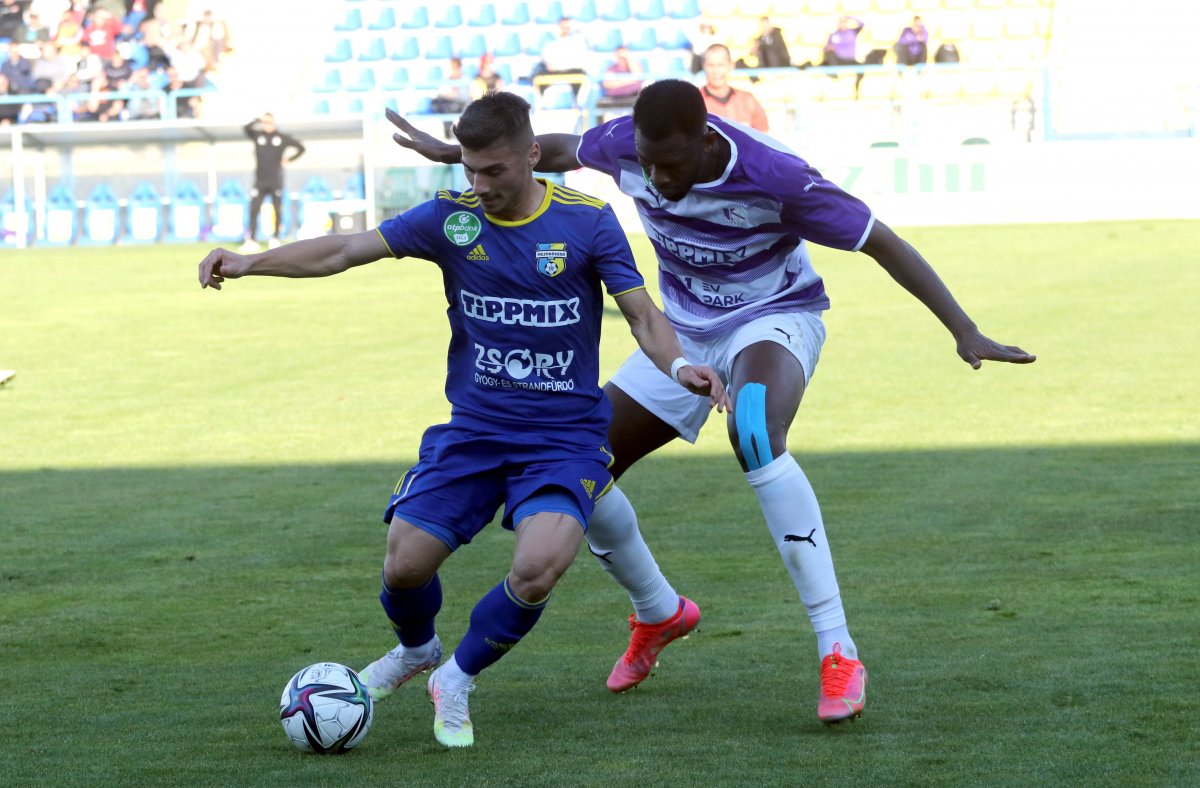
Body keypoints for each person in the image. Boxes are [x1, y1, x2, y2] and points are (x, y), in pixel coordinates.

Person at [387, 79, 1036, 725]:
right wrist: (460, 159)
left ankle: (839, 651)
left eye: (671, 166)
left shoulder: (776, 176)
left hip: (773, 318)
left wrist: (963, 328)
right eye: (647, 163)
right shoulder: (625, 146)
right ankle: (658, 611)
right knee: (583, 458)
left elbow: (880, 240)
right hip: (684, 336)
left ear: (704, 140)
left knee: (753, 429)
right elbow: (556, 148)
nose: (658, 179)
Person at [199, 91, 730, 748]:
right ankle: (418, 651)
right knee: (404, 568)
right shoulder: (451, 220)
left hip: (564, 439)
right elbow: (343, 251)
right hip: (475, 432)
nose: (479, 187)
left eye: (494, 172)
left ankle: (455, 676)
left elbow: (645, 315)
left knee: (538, 566)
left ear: (533, 156)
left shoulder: (588, 223)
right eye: (470, 171)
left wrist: (681, 370)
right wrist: (253, 262)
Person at [239, 112, 304, 252]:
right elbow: (245, 128)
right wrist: (257, 119)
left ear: (274, 123)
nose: (266, 125)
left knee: (277, 209)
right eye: (264, 122)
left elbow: (301, 148)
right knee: (254, 209)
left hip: (276, 181)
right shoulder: (257, 136)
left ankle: (275, 238)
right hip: (260, 181)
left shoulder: (282, 138)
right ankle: (252, 240)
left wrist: (289, 160)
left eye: (269, 122)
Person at [700, 44, 768, 132]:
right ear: (703, 66)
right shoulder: (694, 102)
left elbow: (763, 137)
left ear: (731, 66)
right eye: (711, 65)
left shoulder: (748, 100)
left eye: (721, 65)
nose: (716, 71)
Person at [431, 56, 468, 139]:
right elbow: (441, 94)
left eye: (455, 67)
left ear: (459, 67)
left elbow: (465, 97)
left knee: (445, 105)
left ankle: (449, 133)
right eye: (452, 67)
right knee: (441, 103)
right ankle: (449, 133)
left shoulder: (464, 80)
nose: (453, 69)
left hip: (460, 105)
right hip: (448, 104)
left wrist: (454, 95)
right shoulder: (447, 80)